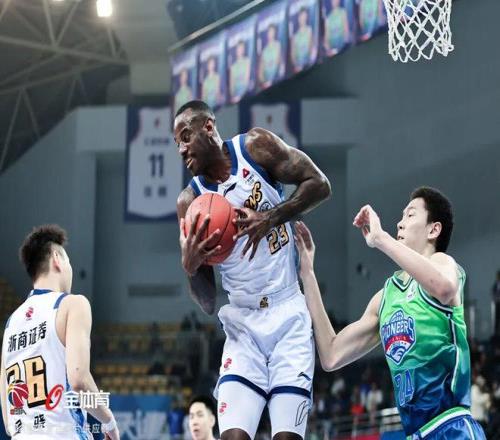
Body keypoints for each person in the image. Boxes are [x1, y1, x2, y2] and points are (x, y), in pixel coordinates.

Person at [174, 100, 331, 440]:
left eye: (185, 136)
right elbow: (207, 302)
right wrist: (191, 266)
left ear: (209, 127)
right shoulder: (190, 203)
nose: (181, 149)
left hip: (287, 312)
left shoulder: (256, 147)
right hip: (243, 323)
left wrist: (271, 217)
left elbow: (320, 184)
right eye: (176, 144)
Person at [295, 187, 486, 439]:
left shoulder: (443, 263)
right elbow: (331, 354)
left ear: (433, 230)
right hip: (414, 433)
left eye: (410, 215)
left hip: (451, 426)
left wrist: (381, 239)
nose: (400, 222)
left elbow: (444, 287)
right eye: (402, 216)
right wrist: (308, 274)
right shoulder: (385, 297)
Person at [0, 224, 119, 439]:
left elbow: (8, 420)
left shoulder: (11, 324)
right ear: (57, 259)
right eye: (69, 262)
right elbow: (79, 380)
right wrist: (108, 420)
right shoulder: (72, 305)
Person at [291, 8, 313, 72]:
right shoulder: (295, 37)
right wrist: (297, 66)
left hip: (309, 66)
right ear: (298, 18)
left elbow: (311, 48)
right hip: (299, 69)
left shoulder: (309, 31)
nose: (303, 19)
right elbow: (293, 55)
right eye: (301, 16)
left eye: (304, 16)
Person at [492, 270, 500, 335]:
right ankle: (496, 334)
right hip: (497, 304)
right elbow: (493, 293)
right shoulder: (495, 285)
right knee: (497, 319)